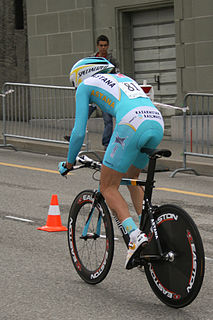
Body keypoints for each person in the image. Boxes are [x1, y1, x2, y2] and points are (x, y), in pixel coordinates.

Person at [58, 57, 164, 269]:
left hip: (133, 122)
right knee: (132, 179)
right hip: (156, 122)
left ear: (80, 75)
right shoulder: (123, 78)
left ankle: (134, 236)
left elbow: (79, 133)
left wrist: (69, 162)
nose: (75, 88)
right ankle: (151, 233)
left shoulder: (86, 85)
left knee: (108, 186)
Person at [89, 35, 120, 149]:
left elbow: (117, 75)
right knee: (83, 115)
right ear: (97, 46)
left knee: (108, 120)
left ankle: (106, 143)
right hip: (93, 92)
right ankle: (74, 137)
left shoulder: (112, 60)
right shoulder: (91, 59)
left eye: (105, 45)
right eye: (101, 45)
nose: (103, 48)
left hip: (105, 93)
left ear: (108, 46)